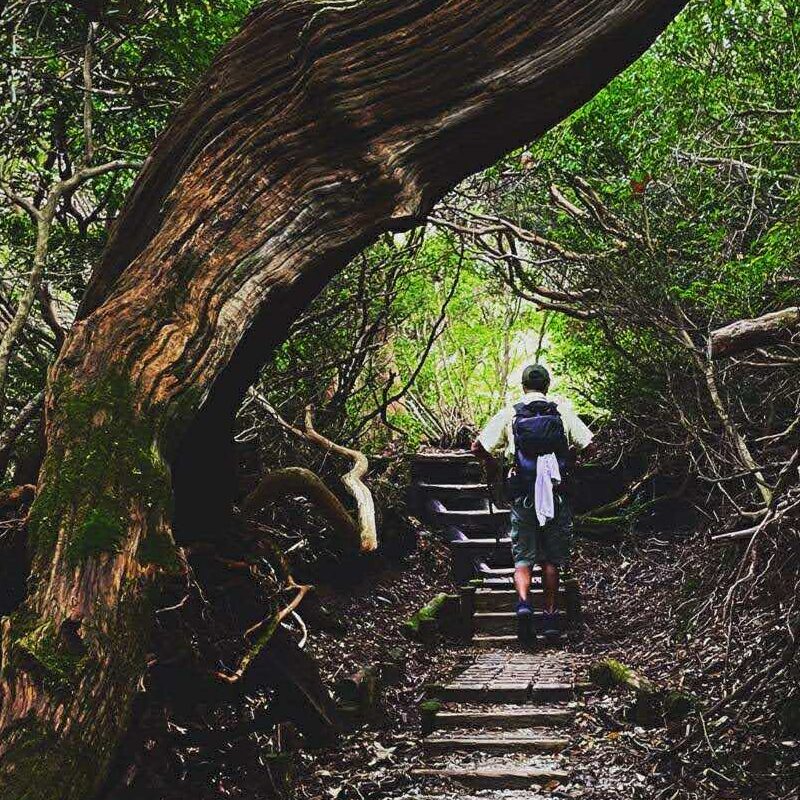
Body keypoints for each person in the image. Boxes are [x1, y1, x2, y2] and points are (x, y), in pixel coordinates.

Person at [471, 364, 594, 642]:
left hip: (523, 494)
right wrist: (569, 461)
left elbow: (477, 448)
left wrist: (494, 465)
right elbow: (589, 444)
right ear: (547, 386)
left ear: (523, 386)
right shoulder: (561, 413)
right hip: (556, 494)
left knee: (523, 559)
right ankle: (549, 617)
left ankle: (525, 605)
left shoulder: (510, 413)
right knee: (551, 560)